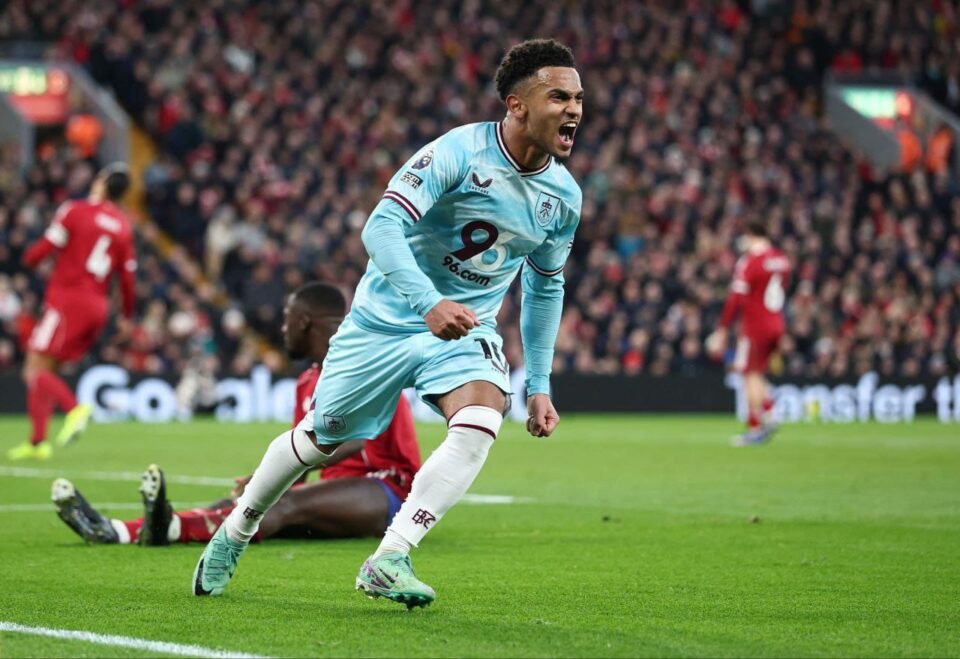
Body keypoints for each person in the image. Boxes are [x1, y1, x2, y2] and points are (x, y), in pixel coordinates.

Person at [191, 38, 583, 608]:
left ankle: (391, 556)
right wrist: (428, 303)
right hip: (383, 324)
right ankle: (238, 528)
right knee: (319, 440)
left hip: (465, 329)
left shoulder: (564, 197)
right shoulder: (459, 153)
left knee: (481, 417)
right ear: (517, 105)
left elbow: (545, 286)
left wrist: (540, 383)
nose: (573, 109)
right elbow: (379, 227)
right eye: (559, 97)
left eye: (577, 98)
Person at [51, 282, 421, 545]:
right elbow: (301, 459)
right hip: (338, 493)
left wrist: (274, 474)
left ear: (304, 322)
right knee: (254, 502)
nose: (282, 329)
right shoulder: (307, 381)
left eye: (287, 319)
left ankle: (169, 528)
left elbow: (356, 439)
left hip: (388, 489)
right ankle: (118, 531)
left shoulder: (365, 364)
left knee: (280, 502)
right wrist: (266, 483)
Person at [8, 163, 136, 461]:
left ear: (102, 183)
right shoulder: (123, 226)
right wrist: (127, 317)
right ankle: (38, 442)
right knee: (46, 369)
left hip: (67, 301)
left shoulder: (75, 210)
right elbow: (127, 280)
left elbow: (45, 247)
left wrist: (24, 260)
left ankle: (74, 409)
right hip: (97, 307)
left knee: (33, 369)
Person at [707, 222, 792, 446]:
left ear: (752, 235)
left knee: (749, 374)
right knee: (758, 372)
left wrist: (723, 328)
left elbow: (736, 297)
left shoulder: (750, 261)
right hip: (776, 322)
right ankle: (770, 410)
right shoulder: (781, 259)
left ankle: (756, 426)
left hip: (755, 325)